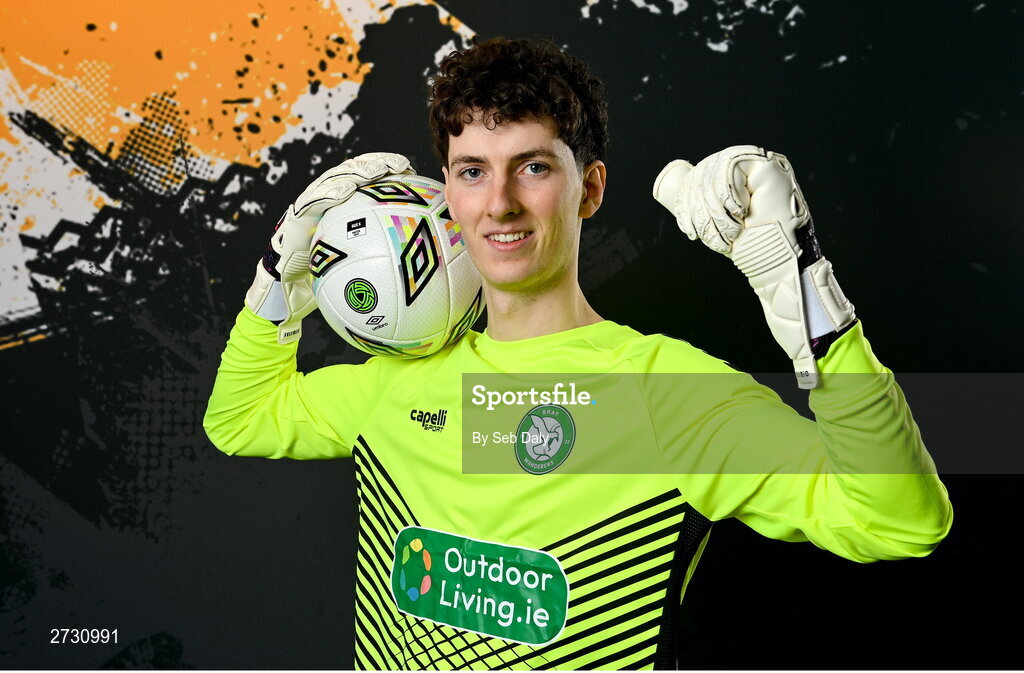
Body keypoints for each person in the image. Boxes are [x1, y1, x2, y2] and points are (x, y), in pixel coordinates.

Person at [204, 38, 952, 670]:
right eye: (471, 170)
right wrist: (283, 276)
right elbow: (240, 418)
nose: (498, 202)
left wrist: (803, 294)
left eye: (532, 167)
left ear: (589, 188)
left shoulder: (669, 395)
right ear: (447, 194)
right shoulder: (392, 387)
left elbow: (897, 518)